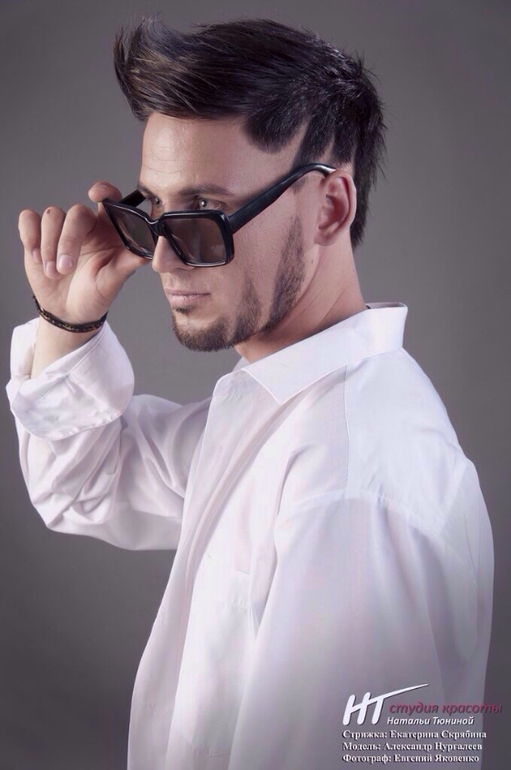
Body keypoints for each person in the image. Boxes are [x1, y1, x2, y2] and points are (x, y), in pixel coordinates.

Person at [6, 14, 494, 770]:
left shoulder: (349, 481)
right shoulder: (280, 407)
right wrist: (69, 321)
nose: (164, 259)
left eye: (202, 215)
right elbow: (85, 485)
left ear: (329, 206)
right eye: (151, 214)